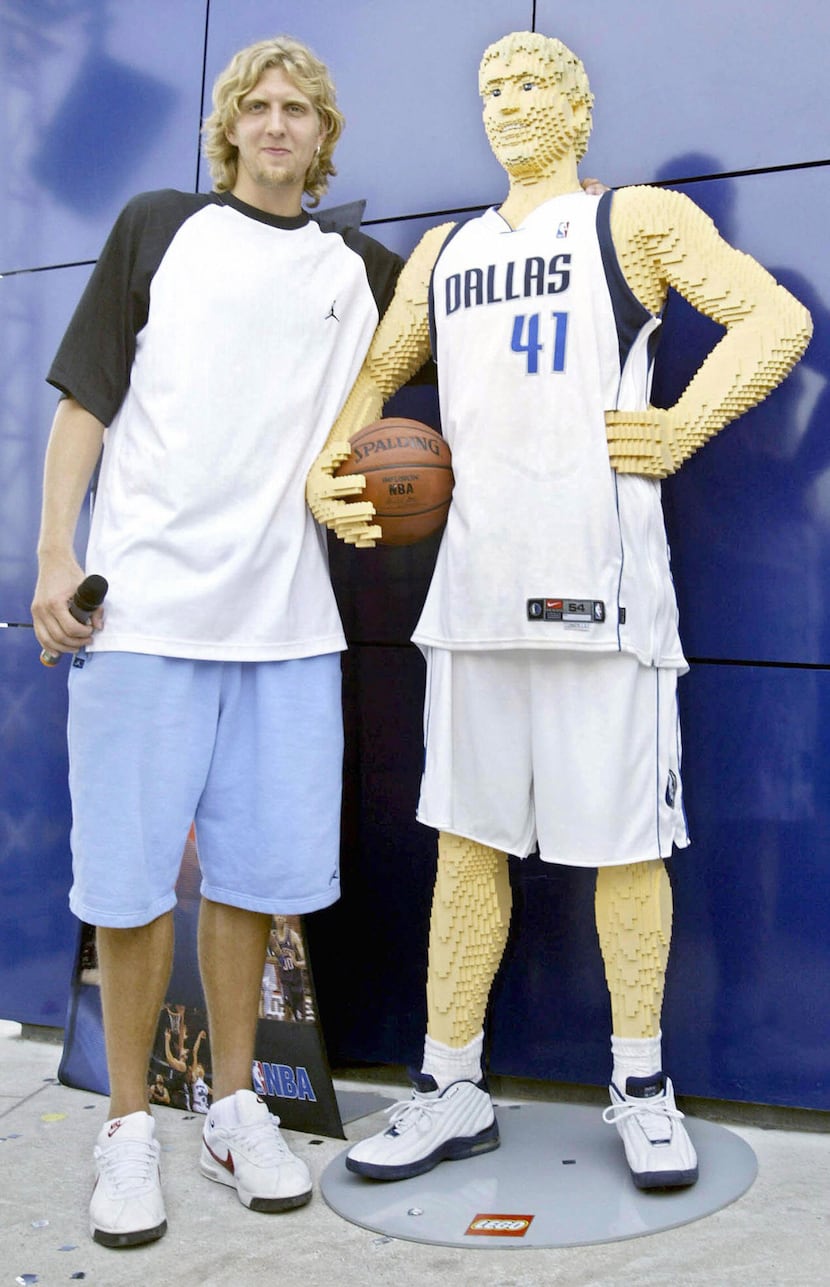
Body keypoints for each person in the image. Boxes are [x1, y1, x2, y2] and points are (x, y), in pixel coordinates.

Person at [307, 30, 812, 1190]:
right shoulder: (443, 249)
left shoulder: (630, 219)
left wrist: (681, 424)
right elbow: (378, 376)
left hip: (602, 592)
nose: (505, 102)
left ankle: (639, 1085)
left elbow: (772, 320)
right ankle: (448, 1087)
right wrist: (321, 471)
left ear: (578, 104)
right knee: (464, 848)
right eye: (488, 86)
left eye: (529, 81)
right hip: (473, 596)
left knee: (624, 851)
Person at [31, 35, 402, 1248]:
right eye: (260, 105)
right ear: (230, 128)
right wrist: (50, 559)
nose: (280, 123)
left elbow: (465, 301)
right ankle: (130, 1125)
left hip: (289, 630)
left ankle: (236, 1105)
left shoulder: (359, 271)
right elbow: (84, 402)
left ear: (323, 132)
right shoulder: (158, 227)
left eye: (302, 107)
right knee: (130, 889)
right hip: (143, 618)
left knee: (252, 886)